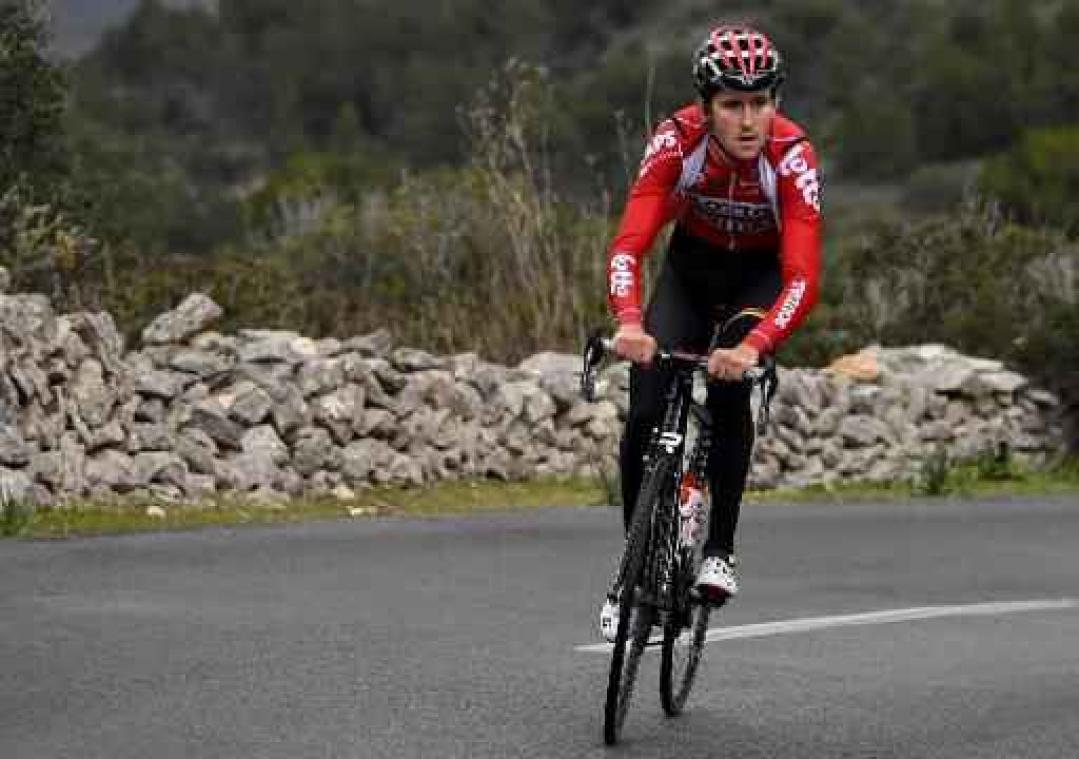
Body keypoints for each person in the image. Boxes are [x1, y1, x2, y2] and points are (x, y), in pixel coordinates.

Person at [600, 24, 822, 641]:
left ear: (776, 103)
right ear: (706, 108)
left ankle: (719, 548)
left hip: (755, 284)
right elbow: (630, 243)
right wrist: (627, 321)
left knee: (728, 389)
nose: (748, 120)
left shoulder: (793, 156)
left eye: (760, 103)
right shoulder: (676, 141)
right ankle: (633, 564)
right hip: (689, 274)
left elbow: (802, 276)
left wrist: (755, 345)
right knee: (644, 409)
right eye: (732, 105)